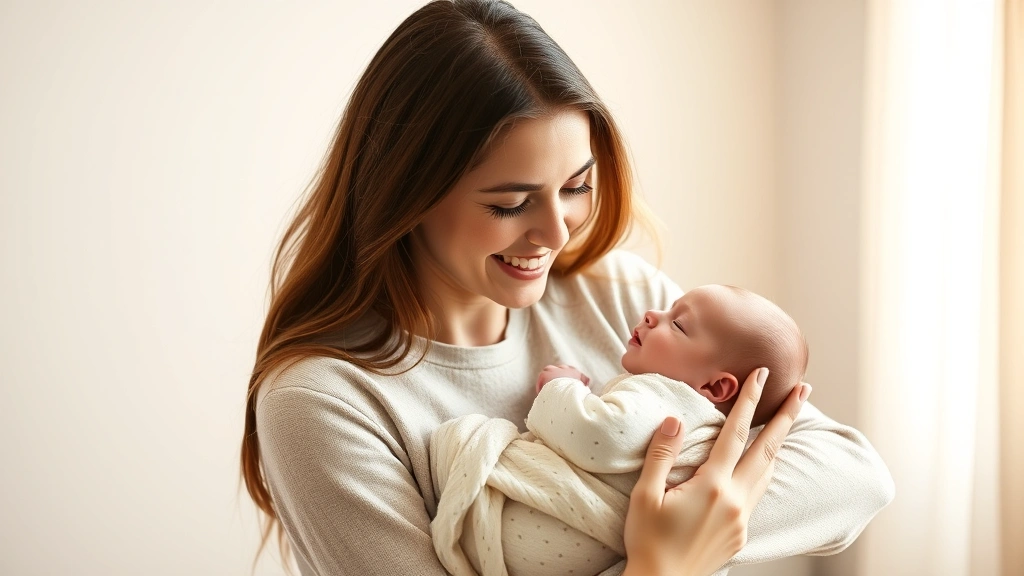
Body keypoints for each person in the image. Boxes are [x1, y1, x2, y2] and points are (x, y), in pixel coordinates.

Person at [239, 1, 895, 575]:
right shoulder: (322, 400)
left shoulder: (619, 297)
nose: (555, 232)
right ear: (405, 195)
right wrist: (659, 563)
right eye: (510, 204)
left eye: (576, 187)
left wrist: (639, 534)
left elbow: (850, 477)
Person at [429, 284, 812, 576]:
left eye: (677, 323)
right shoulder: (719, 443)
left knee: (464, 436)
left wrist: (563, 387)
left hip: (531, 533)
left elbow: (598, 435)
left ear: (713, 388)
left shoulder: (665, 394)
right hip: (575, 551)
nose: (651, 313)